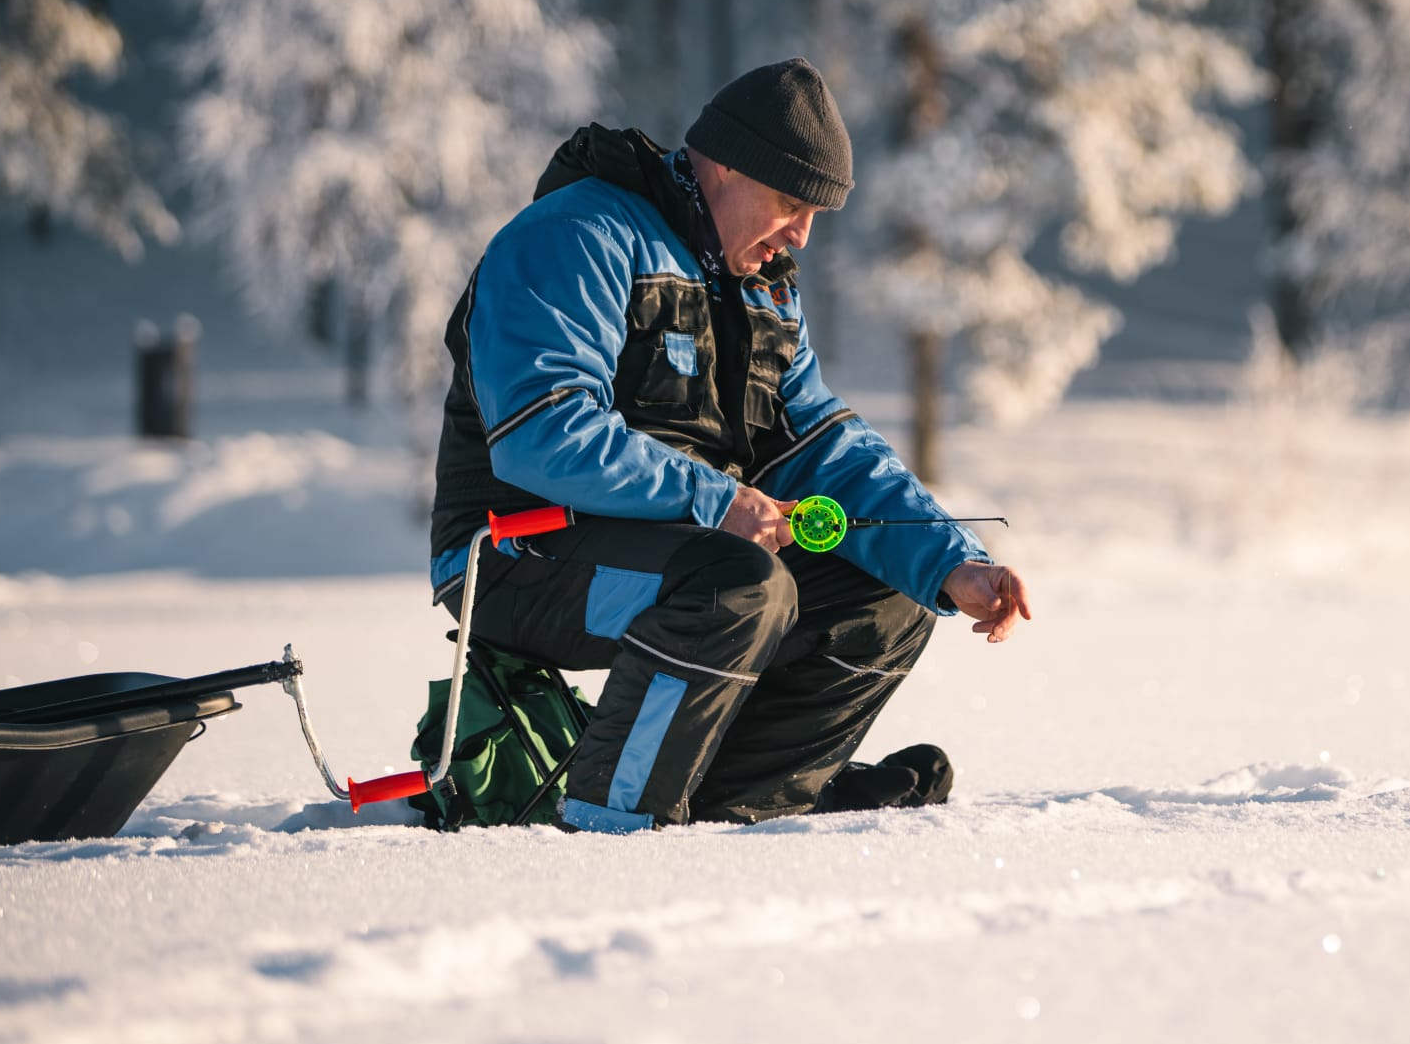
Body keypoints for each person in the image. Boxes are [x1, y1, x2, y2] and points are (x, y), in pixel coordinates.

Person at [427, 58, 1034, 832]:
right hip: (514, 556)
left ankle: (737, 813)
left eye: (815, 213)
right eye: (789, 203)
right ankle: (609, 822)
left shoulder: (762, 288)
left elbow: (824, 444)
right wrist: (717, 501)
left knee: (886, 598)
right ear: (722, 165)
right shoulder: (578, 235)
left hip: (677, 549)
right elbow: (542, 432)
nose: (802, 235)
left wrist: (947, 560)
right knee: (742, 585)